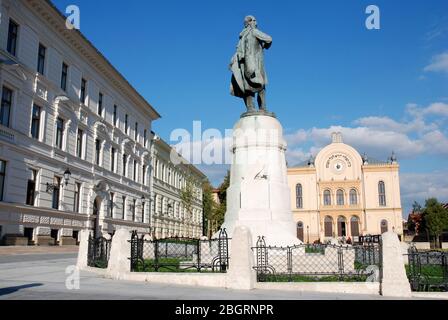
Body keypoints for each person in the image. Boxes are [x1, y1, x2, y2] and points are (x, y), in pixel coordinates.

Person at [230, 15, 272, 112]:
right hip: (255, 63)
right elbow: (269, 39)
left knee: (249, 86)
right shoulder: (253, 31)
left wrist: (262, 45)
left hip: (246, 64)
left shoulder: (243, 36)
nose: (256, 23)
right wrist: (264, 45)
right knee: (258, 85)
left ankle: (251, 109)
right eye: (254, 21)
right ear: (249, 22)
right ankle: (262, 108)